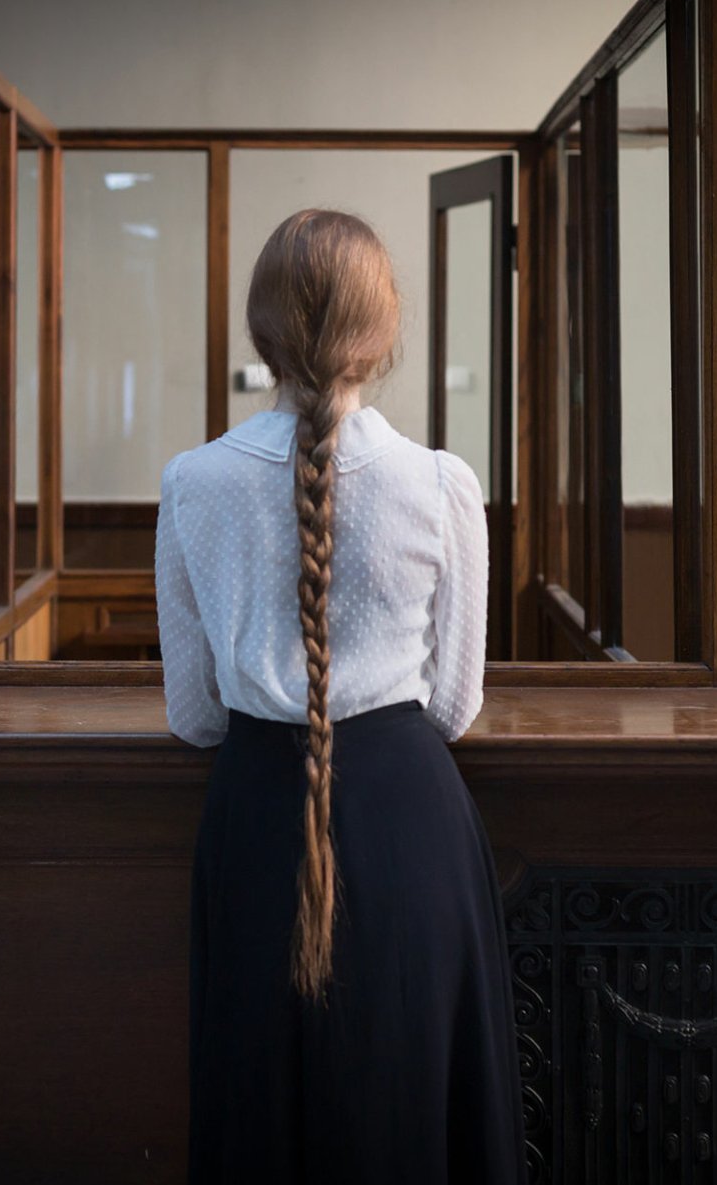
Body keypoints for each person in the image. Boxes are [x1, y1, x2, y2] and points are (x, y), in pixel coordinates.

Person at [155, 207, 523, 1182]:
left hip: (256, 824)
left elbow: (194, 716)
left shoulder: (193, 485)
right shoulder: (442, 485)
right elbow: (452, 705)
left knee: (258, 1117)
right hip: (410, 830)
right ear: (384, 334)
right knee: (414, 1115)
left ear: (261, 331)